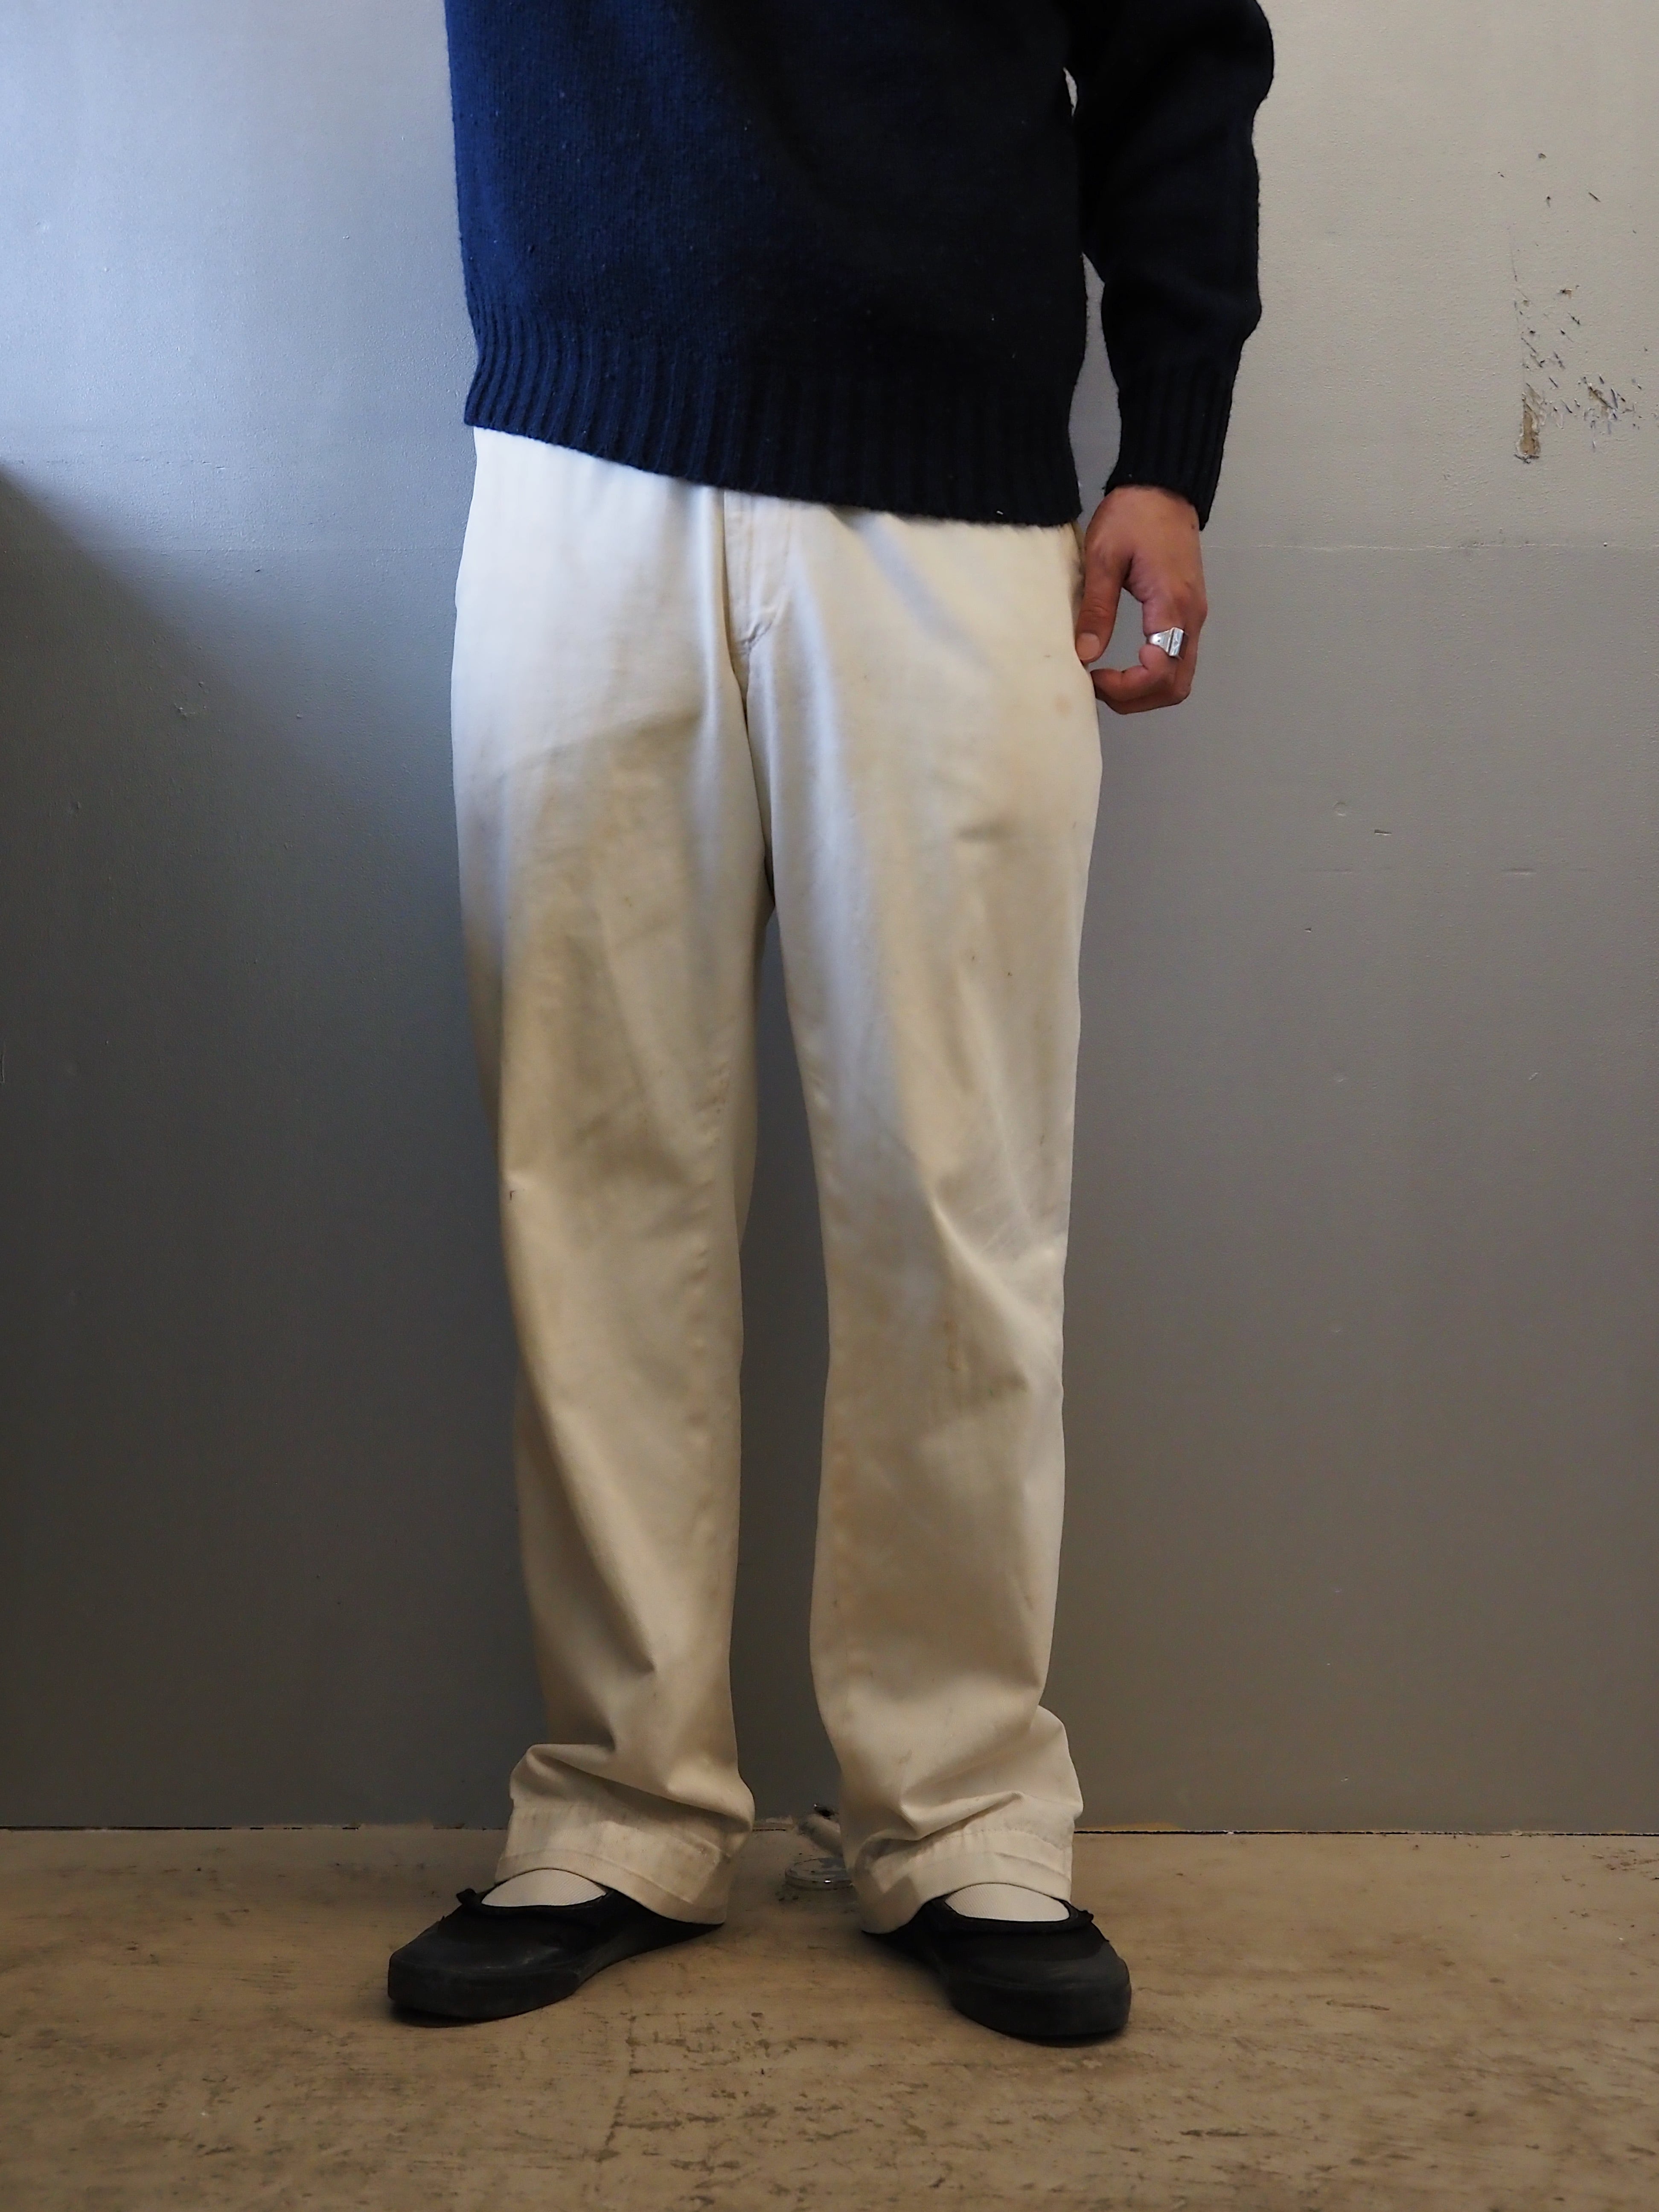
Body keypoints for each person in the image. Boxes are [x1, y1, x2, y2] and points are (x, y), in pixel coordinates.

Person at [389, 0, 1273, 2043]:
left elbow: (1178, 51)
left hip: (953, 498)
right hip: (580, 463)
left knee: (955, 1185)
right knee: (584, 1176)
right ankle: (618, 1802)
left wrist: (1170, 447)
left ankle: (963, 1812)